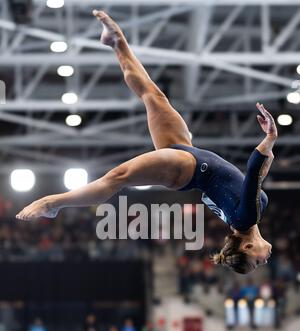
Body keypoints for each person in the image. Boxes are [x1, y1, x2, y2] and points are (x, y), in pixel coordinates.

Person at [16, 10, 276, 275]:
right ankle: (116, 42)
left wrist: (268, 139)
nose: (264, 261)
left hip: (188, 166)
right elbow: (250, 182)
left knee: (118, 177)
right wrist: (268, 156)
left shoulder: (246, 218)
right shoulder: (243, 217)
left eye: (256, 262)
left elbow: (253, 173)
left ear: (246, 248)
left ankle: (52, 203)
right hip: (188, 155)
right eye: (258, 264)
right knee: (153, 95)